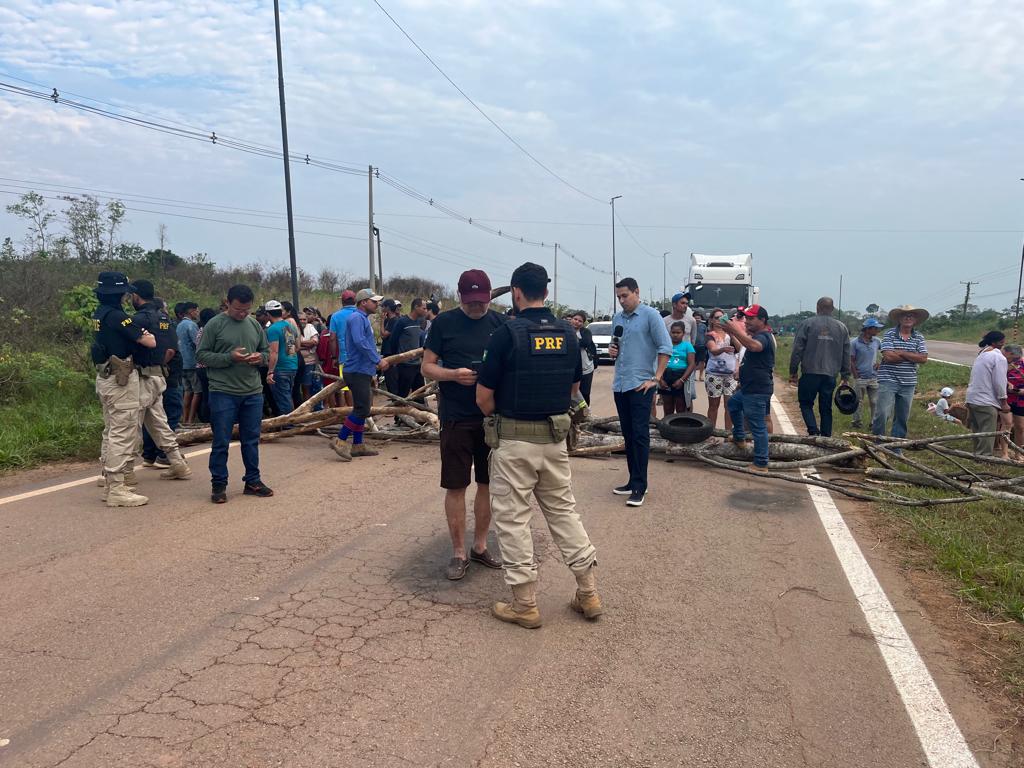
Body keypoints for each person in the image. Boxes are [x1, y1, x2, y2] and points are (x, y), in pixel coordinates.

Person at [476, 262, 600, 629]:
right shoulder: (569, 334)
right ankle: (589, 593)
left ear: (515, 292)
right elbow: (574, 389)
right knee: (564, 513)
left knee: (513, 519)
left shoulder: (505, 334)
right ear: (546, 292)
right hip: (554, 441)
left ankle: (525, 604)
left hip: (514, 442)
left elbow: (483, 398)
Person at [422, 269, 505, 580]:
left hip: (491, 418)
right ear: (460, 296)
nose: (476, 306)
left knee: (487, 483)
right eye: (470, 301)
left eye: (481, 301)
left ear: (489, 297)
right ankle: (458, 552)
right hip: (455, 416)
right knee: (456, 485)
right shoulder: (443, 323)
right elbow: (427, 366)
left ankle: (480, 546)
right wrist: (453, 375)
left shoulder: (500, 324)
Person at [196, 284, 274, 503]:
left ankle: (253, 481)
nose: (242, 314)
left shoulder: (254, 324)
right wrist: (229, 357)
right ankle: (219, 484)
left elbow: (266, 351)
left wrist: (260, 358)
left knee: (251, 440)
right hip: (223, 391)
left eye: (247, 310)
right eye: (238, 309)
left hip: (252, 391)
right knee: (221, 440)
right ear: (227, 303)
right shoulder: (215, 325)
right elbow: (201, 355)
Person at [91, 272, 158, 506]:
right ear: (120, 293)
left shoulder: (99, 314)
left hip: (105, 377)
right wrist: (144, 334)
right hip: (120, 380)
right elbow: (149, 341)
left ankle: (109, 483)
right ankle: (117, 488)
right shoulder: (118, 316)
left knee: (111, 430)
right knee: (123, 432)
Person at [610, 277, 672, 507]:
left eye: (625, 295)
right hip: (621, 384)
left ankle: (640, 486)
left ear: (637, 292)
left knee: (639, 435)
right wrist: (613, 350)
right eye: (618, 297)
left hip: (640, 385)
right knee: (628, 434)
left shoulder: (651, 316)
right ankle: (631, 480)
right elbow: (616, 344)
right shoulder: (617, 318)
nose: (621, 300)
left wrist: (656, 378)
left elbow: (665, 347)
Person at [129, 282, 188, 476]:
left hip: (143, 376)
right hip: (160, 375)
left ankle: (124, 471)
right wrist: (159, 365)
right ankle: (176, 462)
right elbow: (171, 348)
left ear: (136, 296)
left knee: (132, 423)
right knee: (159, 421)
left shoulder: (136, 319)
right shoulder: (164, 318)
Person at [330, 289, 390, 461]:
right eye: (374, 301)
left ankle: (358, 444)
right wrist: (377, 360)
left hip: (362, 369)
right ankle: (340, 440)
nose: (377, 304)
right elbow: (360, 342)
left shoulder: (361, 318)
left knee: (362, 408)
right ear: (363, 302)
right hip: (357, 370)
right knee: (362, 409)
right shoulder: (357, 318)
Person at [788, 297, 851, 437]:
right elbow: (846, 353)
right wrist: (845, 376)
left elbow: (797, 349)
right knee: (826, 407)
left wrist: (793, 371)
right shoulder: (842, 327)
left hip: (810, 372)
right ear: (832, 309)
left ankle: (813, 431)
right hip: (830, 374)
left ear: (817, 307)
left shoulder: (807, 324)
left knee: (806, 403)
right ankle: (826, 437)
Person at [725, 305, 775, 472]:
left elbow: (754, 346)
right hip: (749, 387)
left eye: (752, 318)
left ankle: (761, 462)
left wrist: (734, 330)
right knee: (733, 404)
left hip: (757, 389)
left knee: (757, 425)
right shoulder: (757, 335)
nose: (747, 321)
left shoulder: (764, 336)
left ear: (762, 320)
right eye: (746, 318)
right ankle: (739, 437)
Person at [872, 305, 930, 439]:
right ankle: (877, 441)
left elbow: (923, 358)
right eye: (905, 315)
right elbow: (888, 357)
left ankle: (896, 445)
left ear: (915, 320)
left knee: (902, 416)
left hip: (908, 382)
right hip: (888, 380)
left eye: (911, 315)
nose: (908, 318)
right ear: (899, 318)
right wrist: (912, 356)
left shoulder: (919, 337)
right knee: (882, 413)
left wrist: (902, 352)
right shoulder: (890, 334)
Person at [965, 331, 1010, 457]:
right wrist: (1004, 402)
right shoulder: (999, 358)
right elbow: (1000, 382)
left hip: (972, 398)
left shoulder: (982, 354)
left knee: (977, 430)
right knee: (987, 432)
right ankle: (984, 457)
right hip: (986, 400)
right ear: (996, 342)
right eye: (1002, 342)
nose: (1003, 344)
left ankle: (977, 454)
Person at [705, 307, 738, 430]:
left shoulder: (730, 335)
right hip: (714, 374)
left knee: (730, 406)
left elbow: (739, 349)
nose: (719, 320)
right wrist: (723, 349)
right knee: (713, 406)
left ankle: (727, 433)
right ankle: (711, 432)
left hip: (730, 374)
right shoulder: (710, 335)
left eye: (722, 317)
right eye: (716, 318)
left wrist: (733, 333)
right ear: (711, 320)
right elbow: (713, 350)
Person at [264, 300, 299, 415]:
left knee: (283, 400)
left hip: (280, 368)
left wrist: (270, 371)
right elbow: (297, 346)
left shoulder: (273, 329)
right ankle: (291, 419)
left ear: (268, 314)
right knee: (287, 396)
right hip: (292, 365)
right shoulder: (290, 326)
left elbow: (274, 352)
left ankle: (288, 423)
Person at [389, 298, 428, 398]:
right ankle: (398, 408)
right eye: (424, 308)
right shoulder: (402, 322)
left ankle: (419, 408)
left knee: (420, 394)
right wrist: (396, 359)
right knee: (402, 394)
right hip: (405, 365)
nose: (426, 310)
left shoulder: (419, 322)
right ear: (416, 307)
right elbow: (393, 340)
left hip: (417, 364)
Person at [850, 318, 883, 429]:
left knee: (875, 401)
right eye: (875, 328)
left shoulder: (877, 341)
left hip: (873, 376)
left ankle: (873, 422)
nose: (877, 330)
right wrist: (856, 375)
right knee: (858, 401)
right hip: (860, 377)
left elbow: (886, 352)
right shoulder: (855, 343)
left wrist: (880, 363)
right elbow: (851, 360)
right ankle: (856, 421)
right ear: (868, 329)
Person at [659, 321, 696, 416]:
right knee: (667, 407)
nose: (675, 335)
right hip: (666, 376)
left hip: (681, 376)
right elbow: (659, 362)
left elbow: (692, 364)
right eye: (673, 332)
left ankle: (680, 425)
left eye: (678, 332)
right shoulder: (665, 346)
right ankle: (667, 425)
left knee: (680, 407)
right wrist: (660, 379)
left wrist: (682, 380)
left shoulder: (687, 346)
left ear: (683, 333)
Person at [329, 290, 358, 408]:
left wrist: (334, 357)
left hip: (345, 357)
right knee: (364, 385)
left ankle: (352, 411)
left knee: (347, 386)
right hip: (361, 356)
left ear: (342, 301)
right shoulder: (361, 314)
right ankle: (368, 412)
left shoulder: (336, 316)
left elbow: (332, 338)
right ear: (355, 301)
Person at [176, 302, 202, 426]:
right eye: (196, 310)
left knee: (187, 390)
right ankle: (191, 420)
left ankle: (185, 418)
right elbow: (198, 343)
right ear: (191, 311)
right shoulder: (191, 325)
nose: (197, 313)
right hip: (192, 362)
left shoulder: (179, 325)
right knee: (197, 391)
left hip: (182, 363)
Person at [568, 310, 597, 406]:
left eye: (580, 321)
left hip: (586, 369)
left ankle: (585, 412)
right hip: (572, 368)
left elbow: (585, 342)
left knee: (585, 393)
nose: (576, 322)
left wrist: (570, 341)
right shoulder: (565, 330)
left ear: (583, 323)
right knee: (572, 394)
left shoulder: (586, 332)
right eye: (575, 319)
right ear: (571, 319)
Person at [194, 307, 217, 424]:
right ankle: (208, 418)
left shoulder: (200, 330)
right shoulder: (208, 331)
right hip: (207, 367)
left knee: (205, 394)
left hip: (200, 367)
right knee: (210, 394)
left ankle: (205, 418)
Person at [297, 310, 322, 407]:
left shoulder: (310, 327)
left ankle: (308, 408)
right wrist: (306, 345)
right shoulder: (293, 328)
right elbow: (291, 346)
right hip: (296, 362)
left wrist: (298, 344)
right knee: (296, 387)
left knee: (306, 386)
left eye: (304, 319)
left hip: (309, 362)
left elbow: (314, 342)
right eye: (300, 319)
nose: (303, 321)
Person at [1006, 344, 1024, 456]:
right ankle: (1002, 451)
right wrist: (1008, 384)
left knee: (1020, 427)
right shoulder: (1005, 363)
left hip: (1020, 400)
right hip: (1005, 398)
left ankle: (1018, 453)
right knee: (1004, 426)